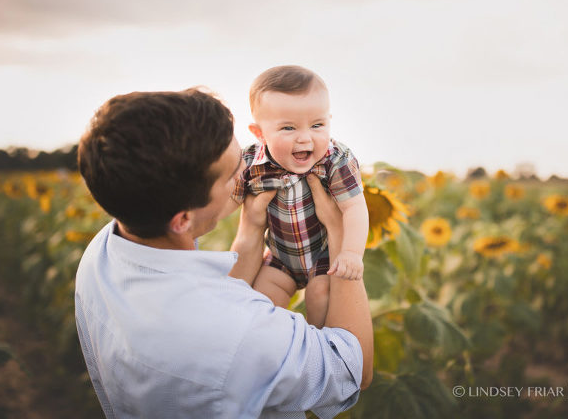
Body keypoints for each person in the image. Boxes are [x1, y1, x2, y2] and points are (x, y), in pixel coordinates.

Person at [74, 87, 373, 419]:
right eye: (234, 175)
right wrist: (340, 236)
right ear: (182, 219)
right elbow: (352, 371)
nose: (247, 176)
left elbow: (223, 294)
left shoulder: (103, 252)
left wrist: (249, 229)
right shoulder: (243, 333)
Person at [228, 65, 369, 328]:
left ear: (329, 120)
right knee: (260, 302)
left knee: (321, 296)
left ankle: (319, 347)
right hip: (281, 258)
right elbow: (228, 201)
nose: (305, 138)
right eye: (288, 128)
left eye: (317, 125)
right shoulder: (250, 162)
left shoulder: (336, 159)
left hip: (324, 258)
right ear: (259, 133)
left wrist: (350, 253)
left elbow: (355, 208)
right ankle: (272, 352)